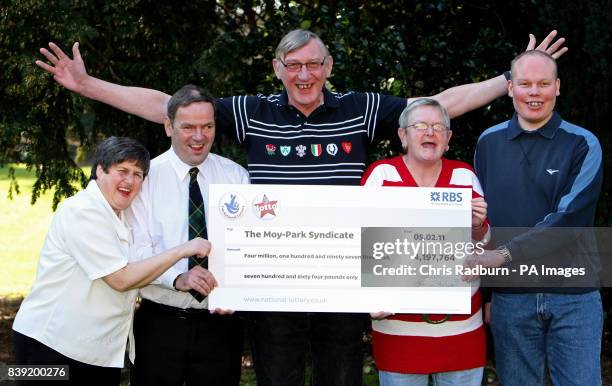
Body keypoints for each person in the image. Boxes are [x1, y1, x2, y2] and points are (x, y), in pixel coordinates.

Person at [35, 29, 566, 386]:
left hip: (341, 279)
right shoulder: (251, 111)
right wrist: (88, 86)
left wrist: (512, 78)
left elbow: (439, 108)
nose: (305, 74)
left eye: (314, 64)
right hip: (273, 282)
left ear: (328, 66)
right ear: (278, 68)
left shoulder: (360, 108)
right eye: (294, 66)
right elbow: (169, 107)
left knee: (338, 374)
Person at [12, 136, 212, 385]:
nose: (130, 180)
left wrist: (177, 279)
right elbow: (121, 278)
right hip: (48, 347)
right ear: (100, 171)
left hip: (98, 354)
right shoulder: (82, 211)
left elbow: (141, 264)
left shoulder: (121, 215)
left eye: (138, 174)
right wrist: (184, 249)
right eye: (122, 171)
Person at [472, 50, 603, 385]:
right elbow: (483, 223)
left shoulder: (583, 143)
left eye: (543, 83)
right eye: (525, 83)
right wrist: (488, 295)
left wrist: (503, 255)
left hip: (573, 295)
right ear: (511, 88)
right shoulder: (488, 143)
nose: (534, 92)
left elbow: (568, 220)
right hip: (511, 298)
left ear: (557, 87)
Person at [125, 84, 249, 386]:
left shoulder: (235, 176)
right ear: (168, 126)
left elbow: (248, 246)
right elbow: (134, 251)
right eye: (188, 127)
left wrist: (239, 288)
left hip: (221, 323)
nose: (199, 136)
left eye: (207, 126)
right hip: (160, 323)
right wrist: (178, 278)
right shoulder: (146, 178)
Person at [361, 98, 489, 386]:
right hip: (398, 332)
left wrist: (478, 226)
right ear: (403, 135)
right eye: (419, 126)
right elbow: (359, 243)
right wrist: (369, 296)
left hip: (461, 330)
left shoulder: (464, 177)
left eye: (438, 127)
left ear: (448, 138)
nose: (429, 132)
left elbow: (484, 249)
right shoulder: (381, 176)